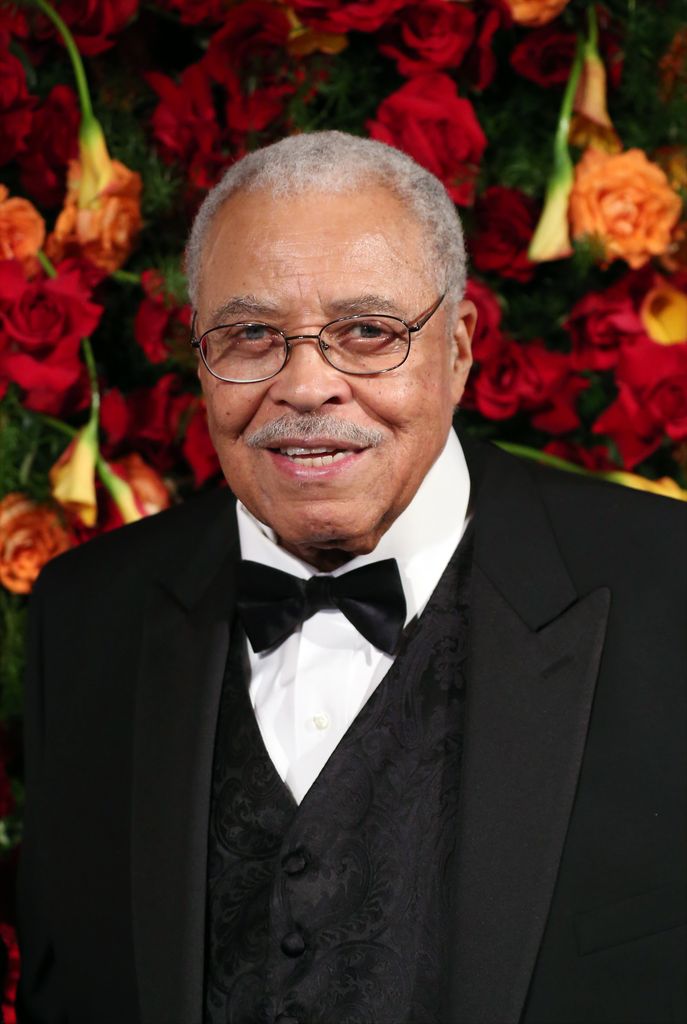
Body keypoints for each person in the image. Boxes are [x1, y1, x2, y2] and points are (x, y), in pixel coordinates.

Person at [16, 132, 686, 1024]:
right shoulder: (83, 615)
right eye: (251, 335)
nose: (305, 385)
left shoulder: (666, 589)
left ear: (457, 347)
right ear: (198, 355)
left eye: (367, 332)